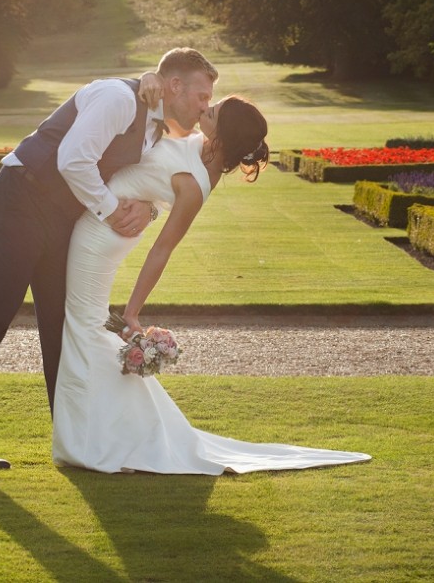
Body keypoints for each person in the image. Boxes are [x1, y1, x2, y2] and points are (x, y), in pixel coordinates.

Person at [52, 96, 372, 474]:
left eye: (214, 111)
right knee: (85, 327)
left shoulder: (196, 184)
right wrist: (150, 203)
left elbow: (162, 250)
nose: (206, 108)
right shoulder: (196, 143)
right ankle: (103, 436)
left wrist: (133, 311)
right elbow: (153, 152)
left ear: (223, 134)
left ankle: (103, 441)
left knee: (85, 326)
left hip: (102, 235)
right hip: (107, 220)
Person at [0, 48, 219, 469]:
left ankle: (79, 438)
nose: (204, 107)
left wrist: (150, 208)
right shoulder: (118, 99)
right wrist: (110, 210)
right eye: (201, 95)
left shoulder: (159, 128)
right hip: (22, 197)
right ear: (174, 86)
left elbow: (141, 179)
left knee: (63, 327)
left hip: (65, 216)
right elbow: (73, 159)